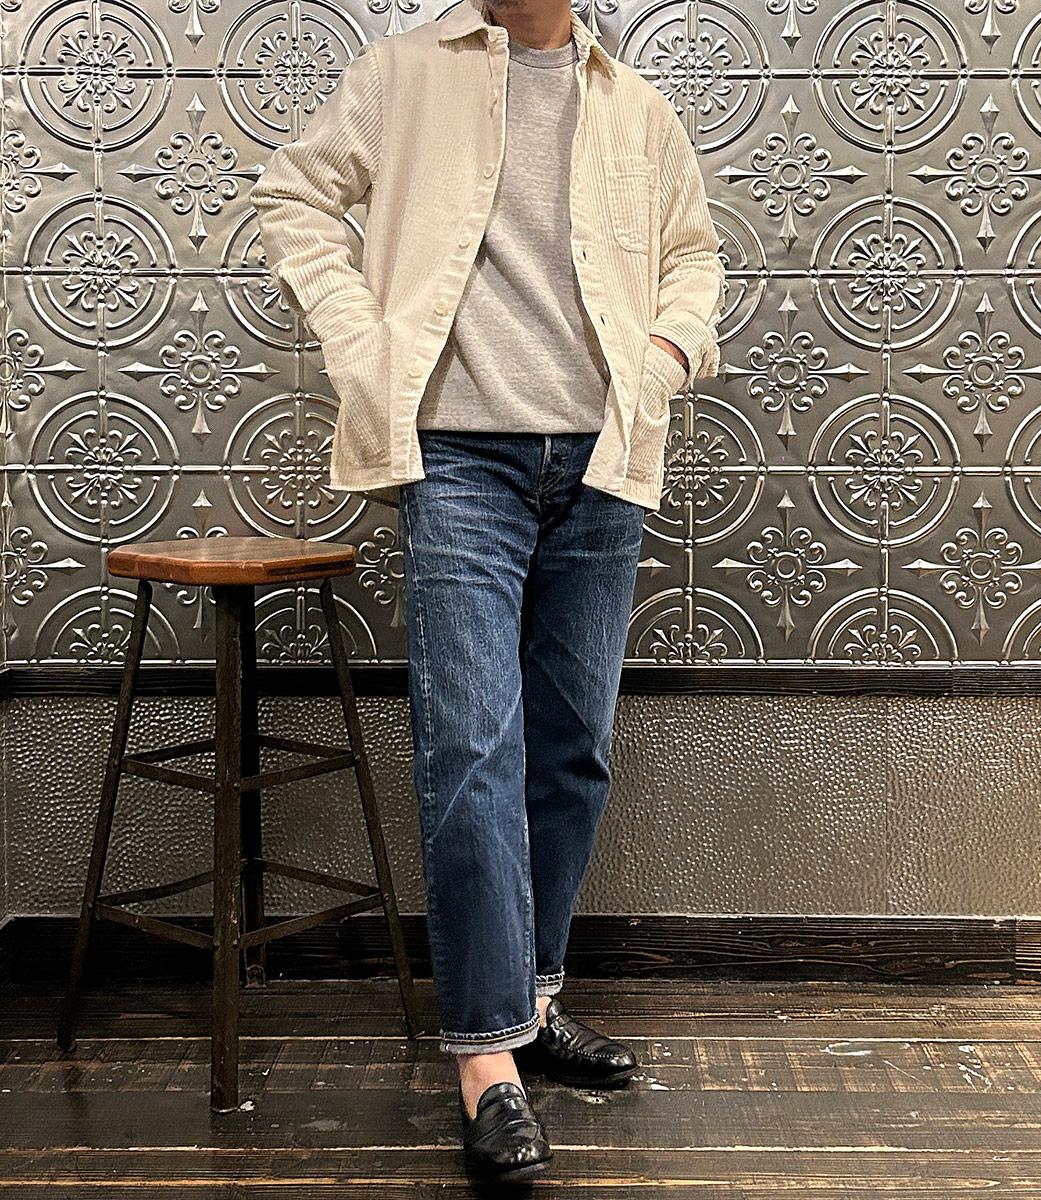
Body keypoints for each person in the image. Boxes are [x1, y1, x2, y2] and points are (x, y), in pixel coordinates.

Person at [249, 0, 724, 1180]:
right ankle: (485, 1058)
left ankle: (533, 999)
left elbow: (695, 256)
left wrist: (667, 354)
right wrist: (361, 342)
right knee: (471, 749)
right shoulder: (403, 72)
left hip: (605, 461)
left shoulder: (635, 106)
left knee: (572, 749)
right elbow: (293, 194)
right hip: (461, 458)